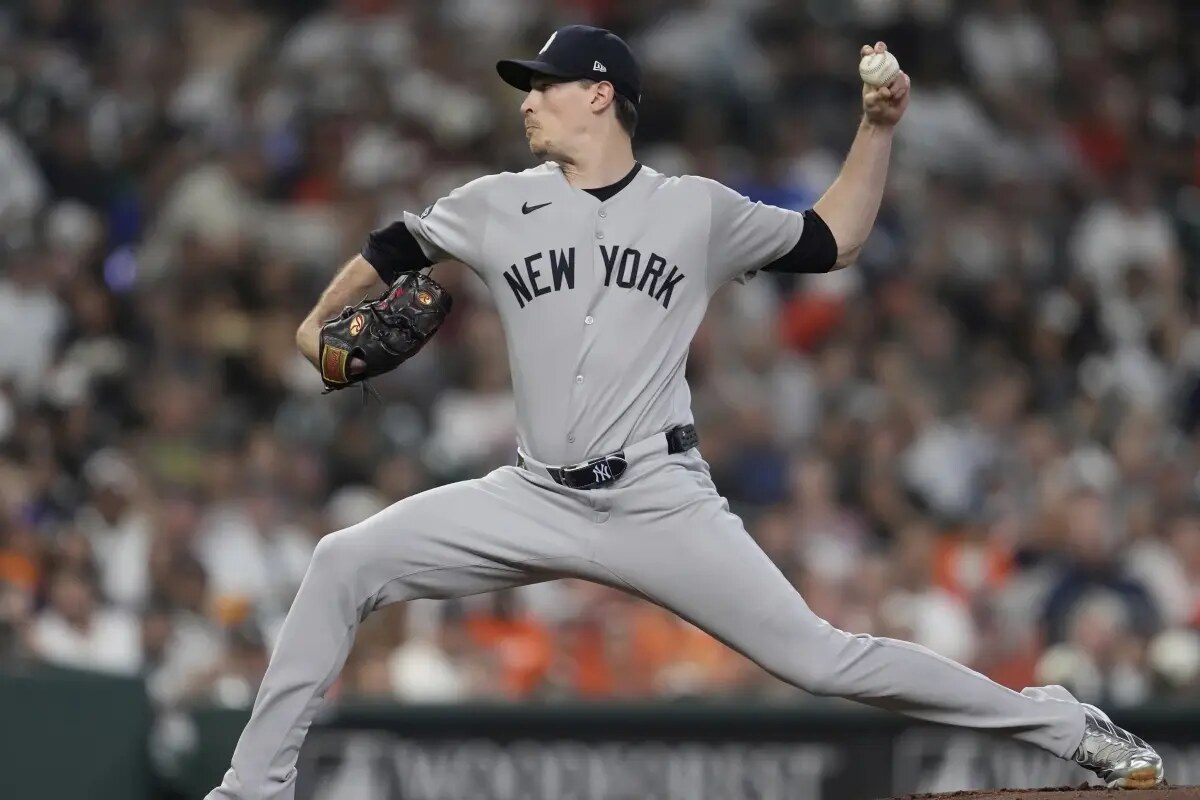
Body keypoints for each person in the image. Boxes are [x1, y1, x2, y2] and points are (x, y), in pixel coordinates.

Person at [207, 26, 1164, 799]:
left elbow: (833, 238)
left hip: (657, 497)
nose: (526, 100)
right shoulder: (495, 203)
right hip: (532, 493)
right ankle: (252, 790)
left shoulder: (694, 210)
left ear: (600, 95)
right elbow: (393, 245)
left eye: (543, 85)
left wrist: (875, 130)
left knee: (823, 660)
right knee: (342, 562)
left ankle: (1060, 723)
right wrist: (315, 327)